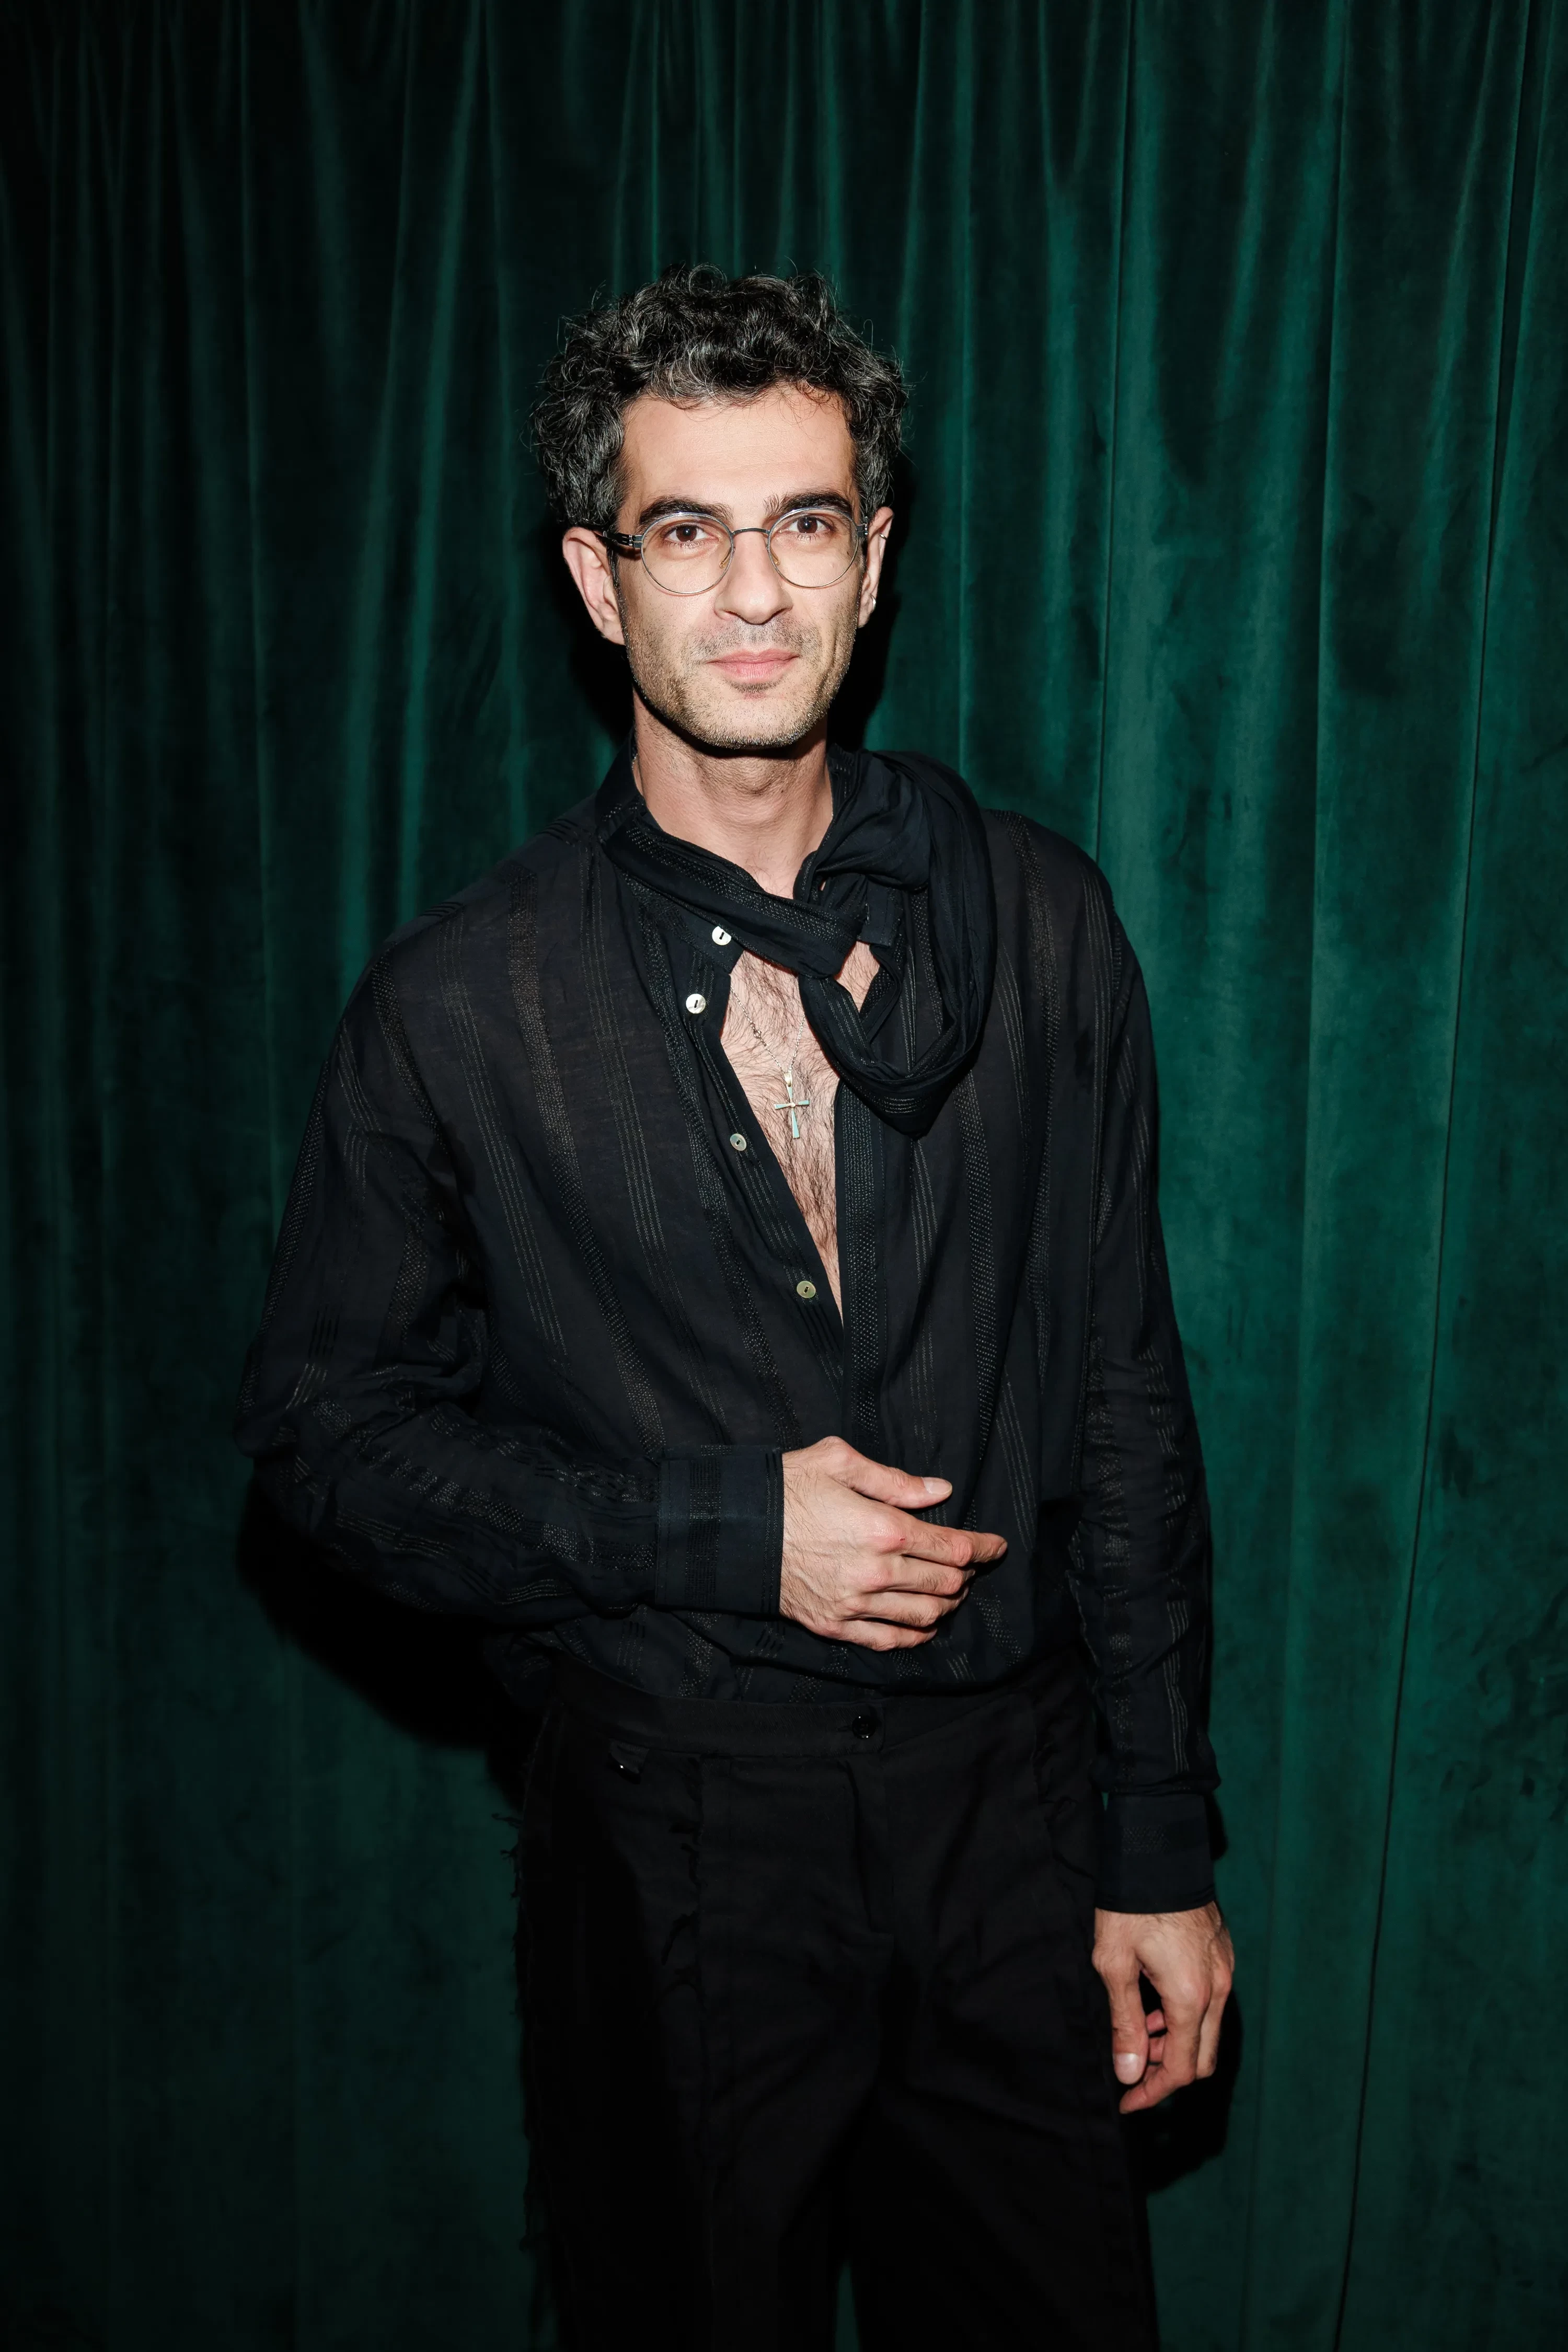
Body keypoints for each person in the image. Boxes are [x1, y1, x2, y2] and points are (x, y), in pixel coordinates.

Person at [237, 263, 1233, 2352]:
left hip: (1011, 1814)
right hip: (670, 1832)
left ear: (874, 558)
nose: (754, 591)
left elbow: (1126, 1397)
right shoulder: (458, 1007)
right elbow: (327, 1445)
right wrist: (721, 1528)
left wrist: (1157, 1840)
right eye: (687, 529)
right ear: (599, 581)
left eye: (804, 522)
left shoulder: (1043, 922)